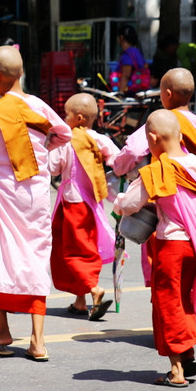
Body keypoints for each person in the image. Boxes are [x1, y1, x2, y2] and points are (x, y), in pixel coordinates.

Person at [0, 45, 70, 361]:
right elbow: (63, 133)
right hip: (37, 193)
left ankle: (2, 330)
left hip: (6, 194)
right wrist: (42, 150)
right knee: (35, 256)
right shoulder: (39, 105)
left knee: (0, 253)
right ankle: (38, 341)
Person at [114, 110, 196, 387]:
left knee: (168, 304)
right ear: (180, 137)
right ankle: (187, 354)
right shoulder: (195, 163)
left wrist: (120, 201)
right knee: (184, 300)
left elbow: (129, 203)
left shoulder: (157, 171)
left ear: (152, 139)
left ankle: (177, 370)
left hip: (171, 246)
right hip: (195, 244)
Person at [113, 68, 196, 236]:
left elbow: (134, 150)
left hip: (161, 199)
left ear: (167, 94)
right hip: (192, 204)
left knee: (157, 256)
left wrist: (119, 168)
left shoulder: (161, 121)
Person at [48, 93, 119, 319]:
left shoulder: (66, 140)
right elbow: (118, 161)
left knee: (71, 252)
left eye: (66, 114)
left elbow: (53, 168)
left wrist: (48, 143)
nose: (63, 117)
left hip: (72, 202)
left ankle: (94, 289)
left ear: (78, 118)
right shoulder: (100, 139)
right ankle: (80, 302)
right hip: (91, 203)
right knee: (86, 247)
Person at [116, 25, 150, 96]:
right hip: (140, 91)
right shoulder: (137, 52)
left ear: (121, 38)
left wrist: (120, 94)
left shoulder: (127, 54)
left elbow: (126, 76)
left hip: (129, 93)